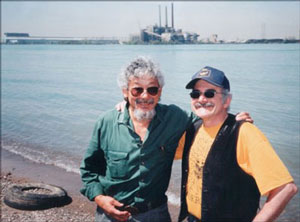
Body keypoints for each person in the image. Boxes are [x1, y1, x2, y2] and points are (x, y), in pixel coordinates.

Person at [80, 57, 251, 222]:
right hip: (110, 215)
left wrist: (233, 120)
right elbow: (89, 170)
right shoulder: (107, 122)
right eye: (137, 90)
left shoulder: (175, 117)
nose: (145, 96)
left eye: (152, 89)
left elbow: (207, 117)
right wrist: (99, 198)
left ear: (160, 92)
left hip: (156, 214)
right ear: (125, 91)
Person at [176, 66, 298, 222]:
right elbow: (163, 152)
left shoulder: (245, 133)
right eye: (195, 94)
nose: (201, 99)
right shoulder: (193, 129)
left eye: (210, 93)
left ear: (226, 100)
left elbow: (285, 189)